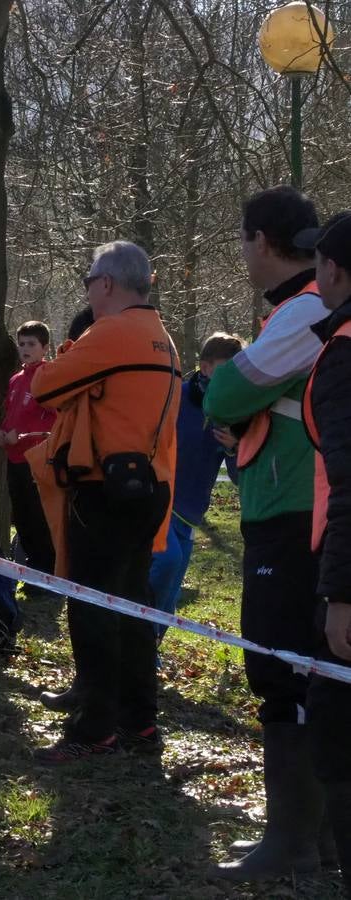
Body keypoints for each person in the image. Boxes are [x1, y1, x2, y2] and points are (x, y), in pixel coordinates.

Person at [203, 187, 329, 879]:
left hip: (291, 510)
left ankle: (291, 843)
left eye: (244, 241)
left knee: (283, 672)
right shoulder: (312, 309)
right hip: (298, 505)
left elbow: (225, 392)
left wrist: (240, 406)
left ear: (261, 241)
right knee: (314, 672)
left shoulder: (305, 312)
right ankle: (321, 836)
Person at [26, 241, 180, 765]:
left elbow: (44, 388)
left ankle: (93, 728)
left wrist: (69, 351)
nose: (88, 290)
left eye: (90, 280)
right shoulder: (164, 338)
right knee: (134, 605)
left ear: (108, 284)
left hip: (104, 488)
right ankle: (139, 720)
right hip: (151, 487)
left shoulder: (111, 333)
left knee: (91, 607)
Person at [296, 210, 351, 896]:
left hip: (346, 575)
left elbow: (349, 481)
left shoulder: (342, 353)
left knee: (338, 748)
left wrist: (341, 594)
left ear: (333, 271)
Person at [147, 333, 243, 642]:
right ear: (204, 367)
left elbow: (241, 477)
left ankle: (151, 647)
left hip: (191, 511)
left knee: (172, 585)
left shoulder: (233, 410)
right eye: (225, 369)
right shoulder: (176, 396)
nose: (232, 377)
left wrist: (234, 448)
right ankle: (137, 634)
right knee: (167, 560)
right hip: (158, 496)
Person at [0, 321, 57, 579]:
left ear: (44, 347)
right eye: (21, 344)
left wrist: (22, 435)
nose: (25, 349)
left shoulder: (49, 376)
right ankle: (34, 567)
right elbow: (12, 414)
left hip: (37, 459)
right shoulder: (16, 379)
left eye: (31, 344)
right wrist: (2, 432)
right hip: (15, 458)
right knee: (21, 517)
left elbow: (56, 419)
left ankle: (47, 572)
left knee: (38, 517)